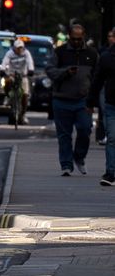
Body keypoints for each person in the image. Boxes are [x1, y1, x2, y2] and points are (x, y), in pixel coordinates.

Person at [46, 23, 98, 176]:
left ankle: (79, 157)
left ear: (84, 37)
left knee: (85, 129)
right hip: (62, 99)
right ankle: (66, 164)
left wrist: (93, 98)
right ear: (69, 36)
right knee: (64, 135)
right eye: (74, 39)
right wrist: (64, 73)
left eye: (79, 39)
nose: (76, 42)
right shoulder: (60, 52)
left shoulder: (92, 54)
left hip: (83, 100)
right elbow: (50, 70)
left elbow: (97, 76)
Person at [88, 39, 115, 185]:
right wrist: (90, 101)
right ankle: (110, 174)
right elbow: (97, 80)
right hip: (112, 104)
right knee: (112, 138)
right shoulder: (107, 57)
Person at [0, 39, 35, 125]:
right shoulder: (9, 53)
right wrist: (2, 70)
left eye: (21, 48)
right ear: (14, 48)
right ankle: (8, 96)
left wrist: (31, 70)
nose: (19, 50)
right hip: (12, 75)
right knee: (6, 81)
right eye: (18, 48)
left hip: (23, 76)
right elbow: (4, 62)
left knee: (25, 94)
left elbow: (30, 62)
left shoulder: (26, 53)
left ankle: (23, 114)